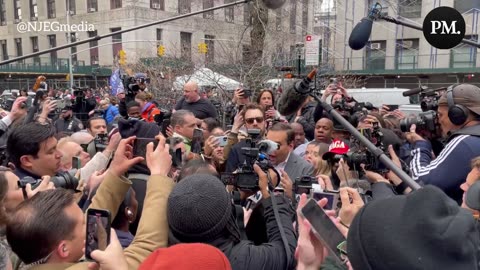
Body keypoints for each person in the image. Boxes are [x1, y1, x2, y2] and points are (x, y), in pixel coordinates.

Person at [6, 136, 175, 270]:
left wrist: (115, 171)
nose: (90, 222)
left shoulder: (25, 260)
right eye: (83, 224)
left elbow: (94, 215)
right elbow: (146, 247)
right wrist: (159, 175)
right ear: (63, 249)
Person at [167, 172, 296, 270]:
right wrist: (269, 196)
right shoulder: (239, 259)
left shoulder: (159, 254)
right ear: (228, 217)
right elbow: (286, 252)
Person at [407, 84, 480, 203]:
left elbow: (420, 181)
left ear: (457, 115)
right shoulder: (475, 138)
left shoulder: (465, 142)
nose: (438, 120)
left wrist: (420, 145)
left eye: (440, 115)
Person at [225, 103, 266, 173]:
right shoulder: (236, 149)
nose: (255, 123)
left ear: (265, 122)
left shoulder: (273, 146)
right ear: (245, 124)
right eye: (250, 121)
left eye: (259, 119)